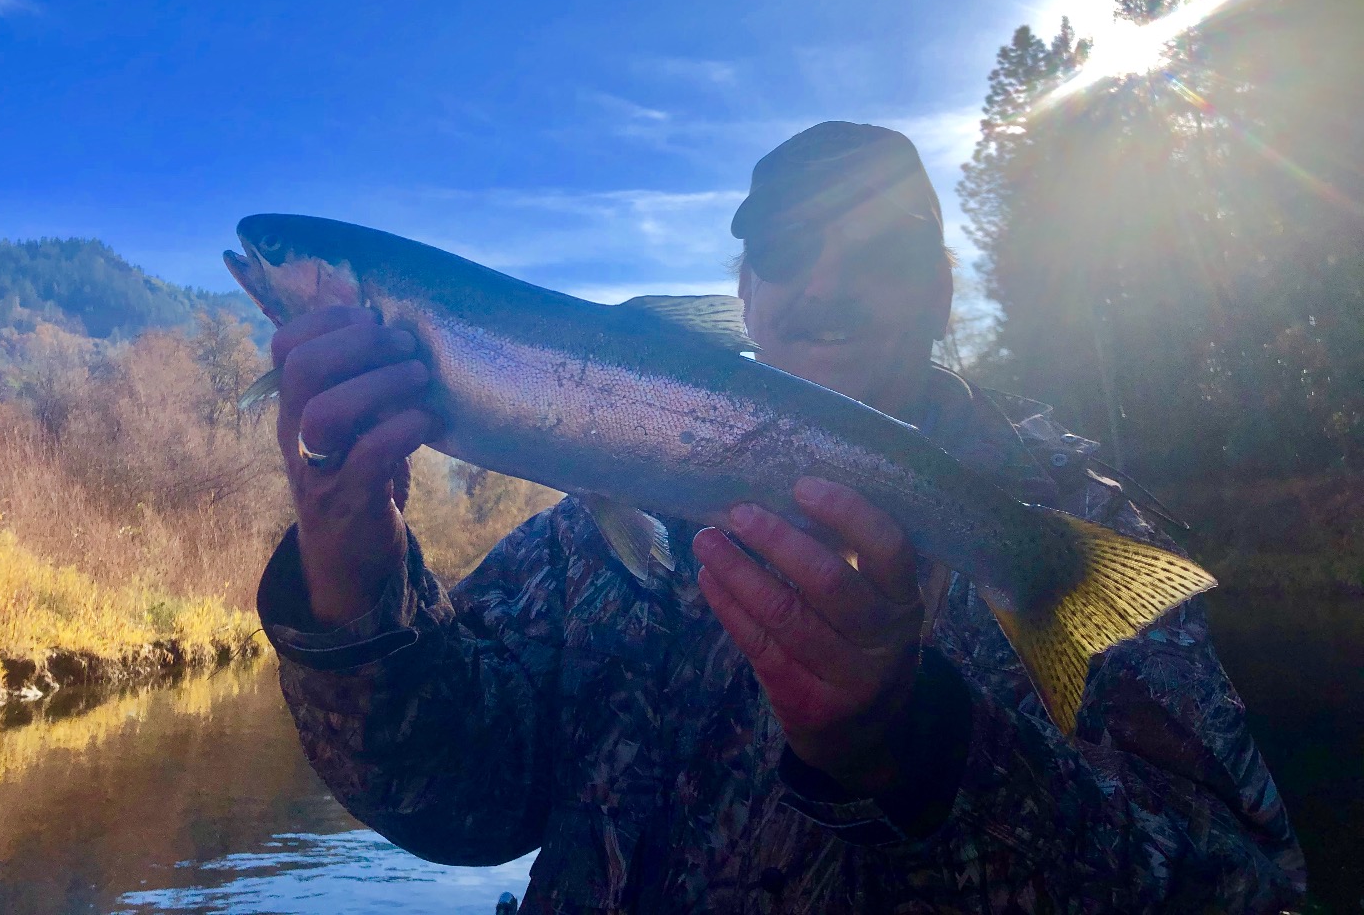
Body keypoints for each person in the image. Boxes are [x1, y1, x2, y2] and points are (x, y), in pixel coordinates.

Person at [257, 122, 1305, 913]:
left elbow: (1243, 890)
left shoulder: (1068, 535)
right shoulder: (585, 540)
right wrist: (349, 571)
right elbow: (461, 804)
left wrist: (920, 749)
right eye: (791, 251)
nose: (827, 286)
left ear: (942, 295)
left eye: (882, 255)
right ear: (745, 296)